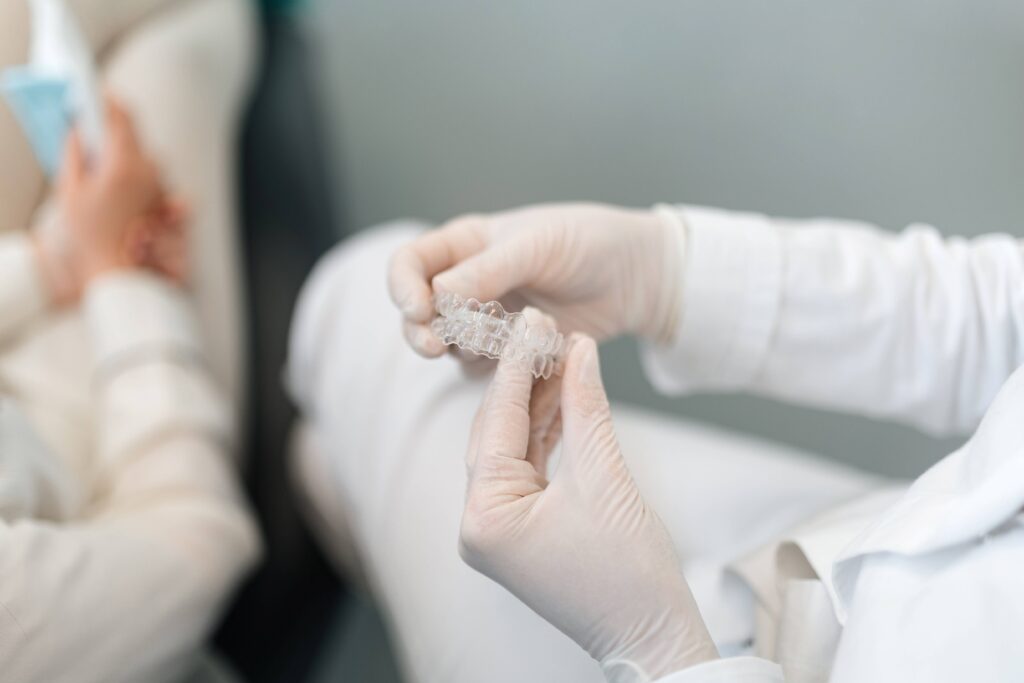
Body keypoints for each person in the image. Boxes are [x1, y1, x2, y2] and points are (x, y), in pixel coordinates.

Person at [289, 202, 1024, 683]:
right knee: (333, 435)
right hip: (851, 546)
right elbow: (999, 315)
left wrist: (660, 651)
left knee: (345, 322)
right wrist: (662, 271)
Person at [0, 0, 259, 680]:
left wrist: (51, 261)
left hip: (31, 318)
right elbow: (197, 539)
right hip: (111, 445)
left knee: (22, 19)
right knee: (171, 57)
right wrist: (121, 277)